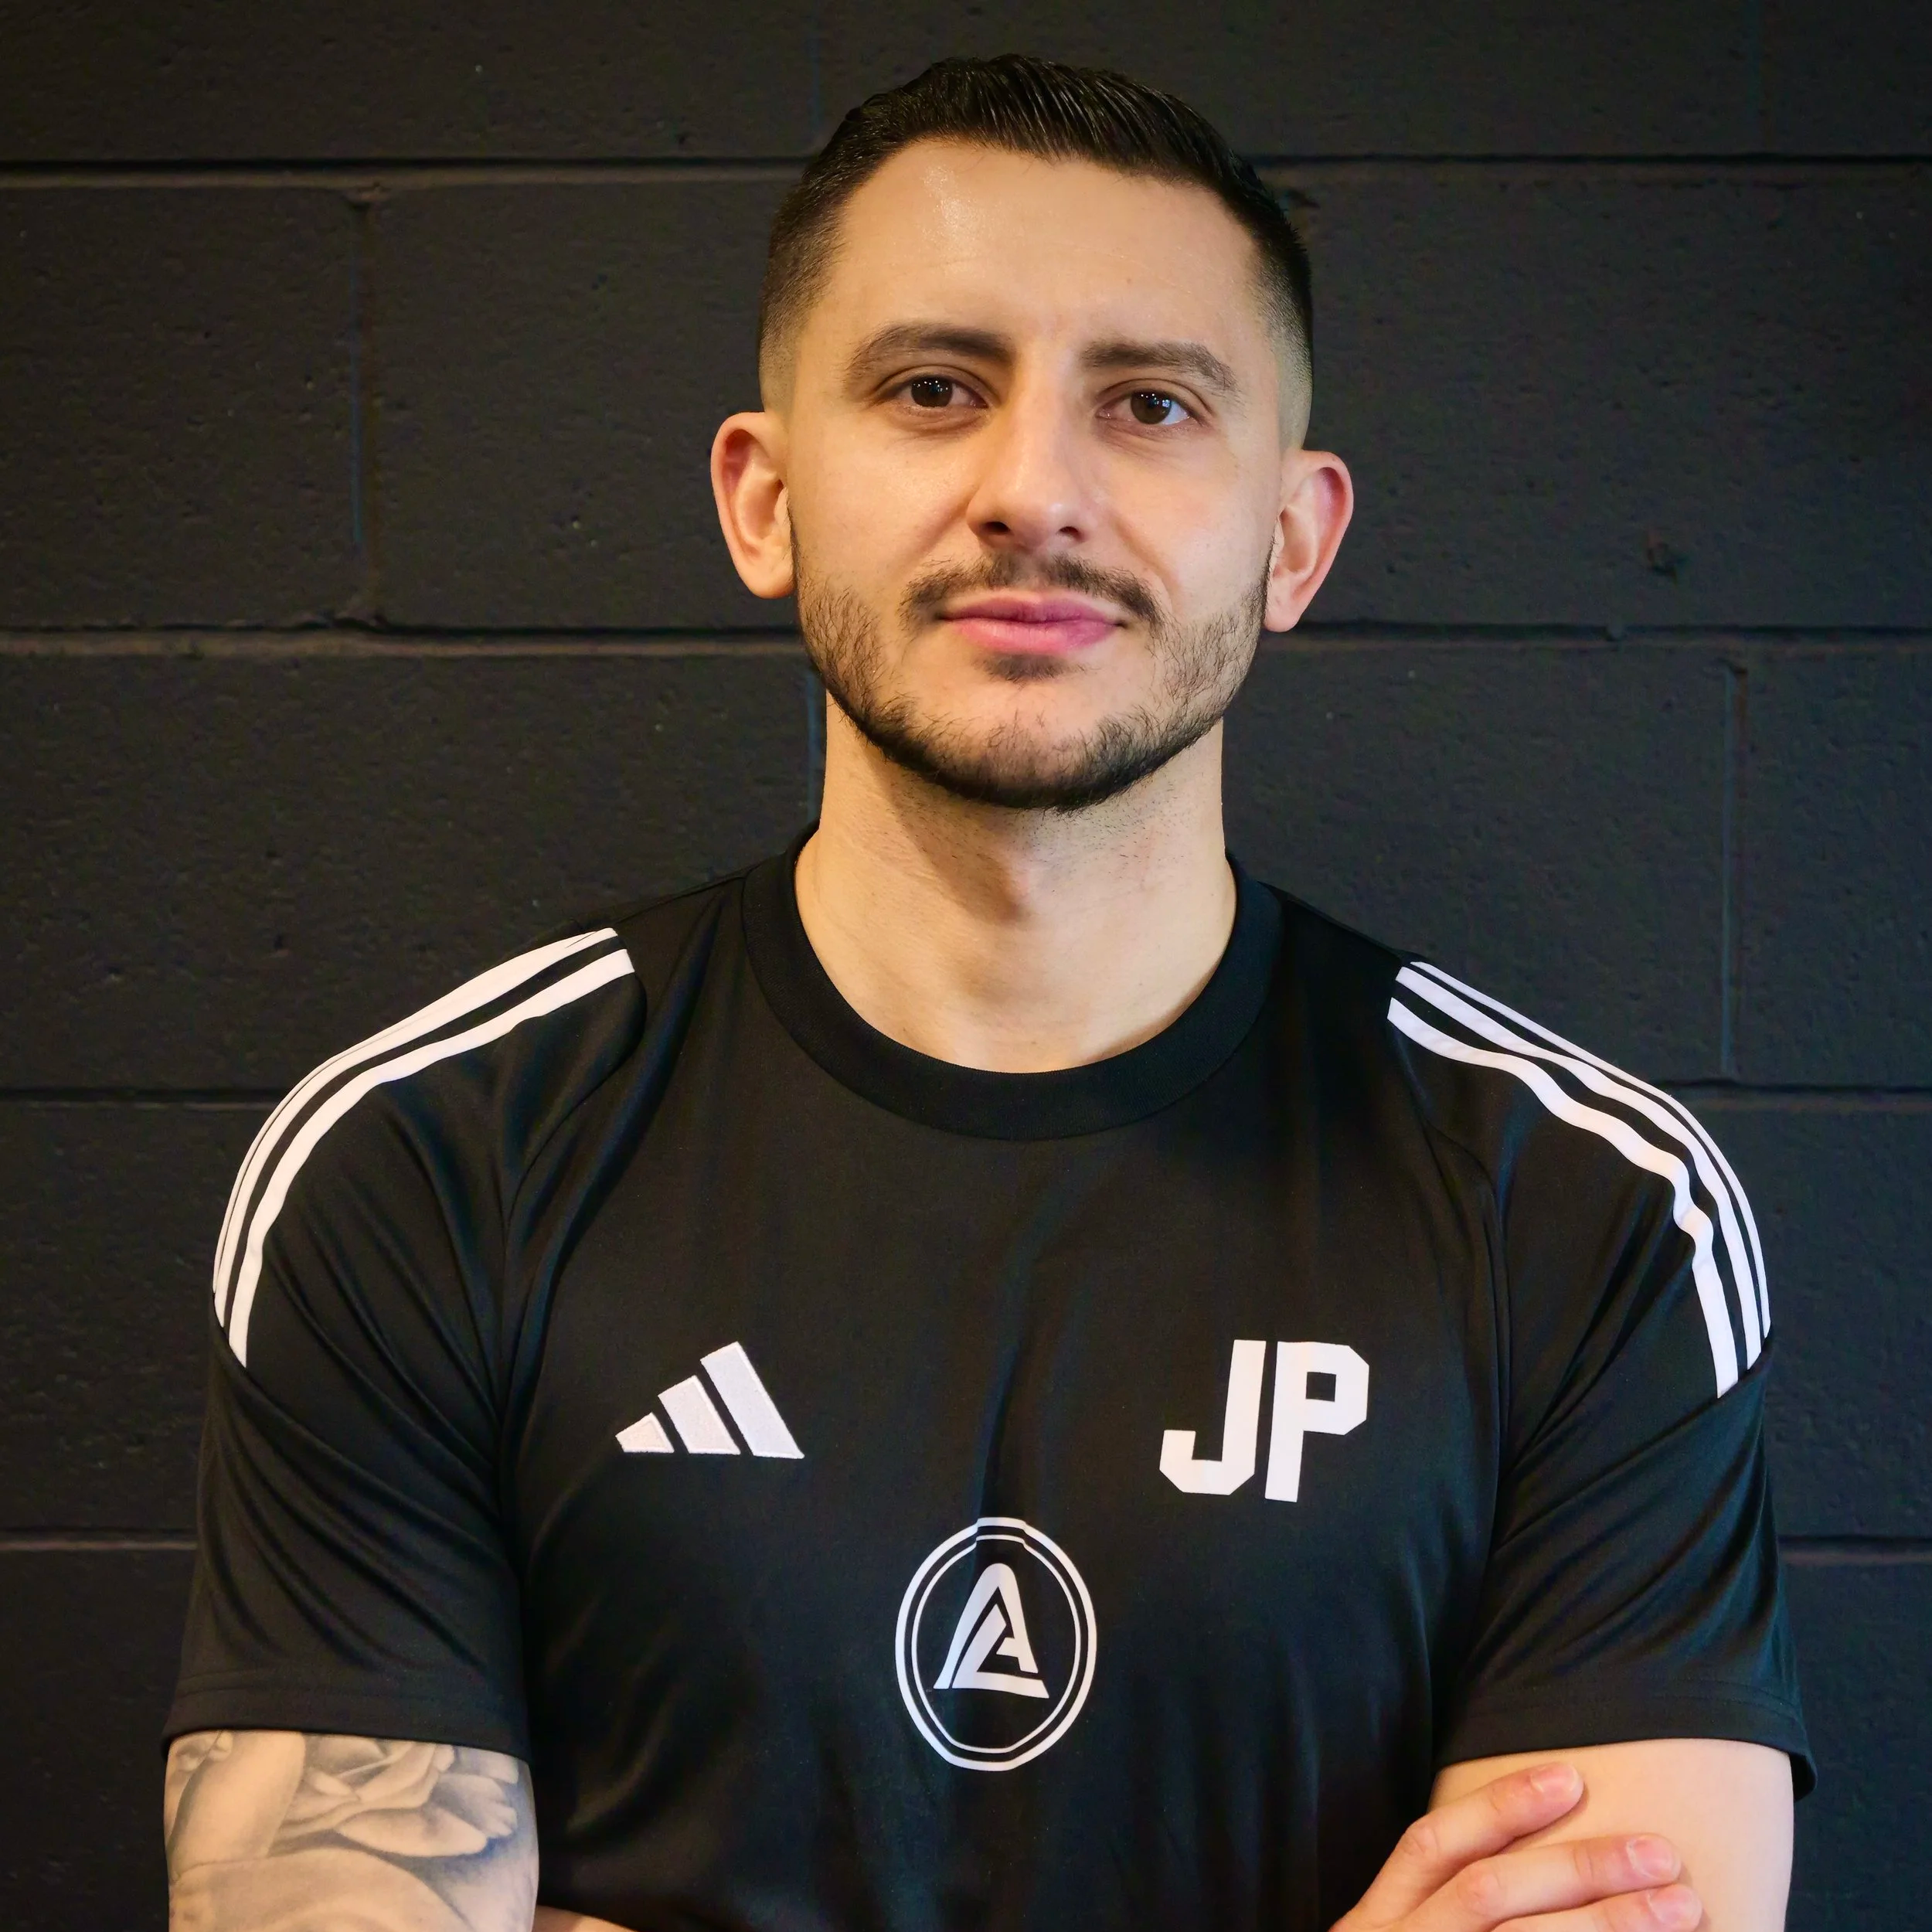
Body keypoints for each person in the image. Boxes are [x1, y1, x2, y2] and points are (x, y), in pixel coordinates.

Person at [163, 55, 1808, 1932]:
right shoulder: (424, 1163)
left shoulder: (1579, 1202)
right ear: (764, 499)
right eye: (932, 388)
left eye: (1151, 404)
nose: (1033, 491)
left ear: (1290, 538)